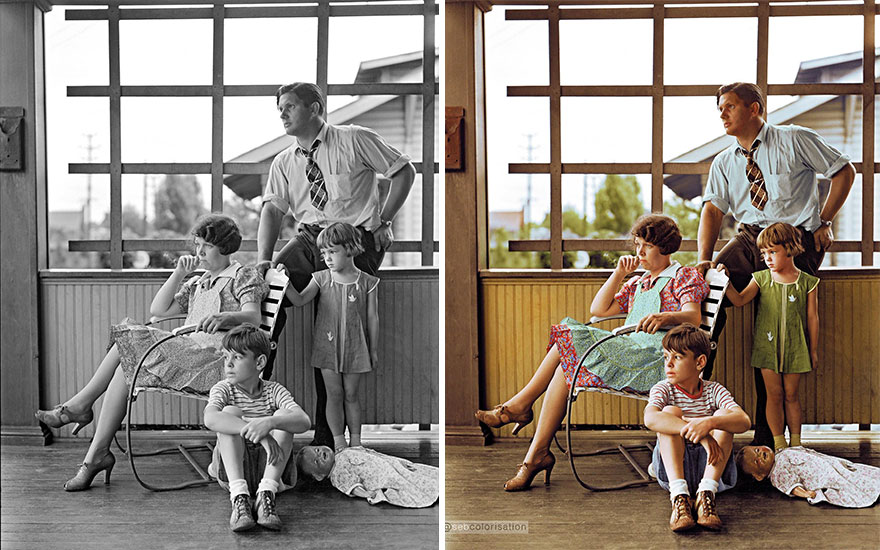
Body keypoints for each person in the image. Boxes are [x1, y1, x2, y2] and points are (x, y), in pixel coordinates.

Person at [475, 214, 710, 491]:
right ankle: (535, 455)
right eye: (637, 245)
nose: (639, 252)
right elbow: (599, 310)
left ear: (666, 248)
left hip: (657, 359)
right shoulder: (639, 282)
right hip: (628, 351)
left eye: (646, 246)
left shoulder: (683, 276)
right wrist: (619, 274)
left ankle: (520, 409)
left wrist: (665, 318)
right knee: (567, 365)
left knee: (568, 335)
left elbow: (693, 317)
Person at [35, 214, 269, 491]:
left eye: (206, 246)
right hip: (190, 354)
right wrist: (179, 273)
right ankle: (94, 454)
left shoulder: (242, 275)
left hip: (217, 361)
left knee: (130, 340)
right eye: (196, 245)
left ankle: (79, 410)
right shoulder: (200, 282)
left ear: (226, 248)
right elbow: (158, 311)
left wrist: (227, 318)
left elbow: (253, 318)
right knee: (127, 362)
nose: (199, 252)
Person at [696, 82, 855, 448]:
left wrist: (825, 222)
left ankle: (771, 441)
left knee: (777, 333)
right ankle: (695, 399)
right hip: (749, 237)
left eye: (729, 106)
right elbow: (713, 210)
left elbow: (844, 172)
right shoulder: (724, 161)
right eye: (720, 107)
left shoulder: (795, 139)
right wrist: (705, 260)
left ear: (754, 109)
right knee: (707, 298)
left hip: (793, 241)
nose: (722, 113)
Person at [257, 82, 415, 448]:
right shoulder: (284, 162)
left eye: (290, 107)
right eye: (280, 108)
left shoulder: (355, 139)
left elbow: (404, 173)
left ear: (315, 109)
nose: (282, 114)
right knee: (267, 301)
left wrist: (384, 221)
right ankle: (254, 401)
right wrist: (264, 261)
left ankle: (330, 441)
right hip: (308, 238)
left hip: (352, 241)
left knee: (334, 333)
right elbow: (272, 210)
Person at [280, 222, 379, 453]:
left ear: (351, 248)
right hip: (327, 348)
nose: (327, 258)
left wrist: (373, 350)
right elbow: (299, 300)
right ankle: (339, 443)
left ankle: (356, 443)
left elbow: (373, 318)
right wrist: (285, 282)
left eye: (332, 252)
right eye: (324, 253)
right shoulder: (320, 278)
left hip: (356, 349)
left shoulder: (368, 282)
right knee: (333, 395)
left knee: (352, 395)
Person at [204, 324, 311, 532]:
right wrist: (260, 435)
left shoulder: (274, 391)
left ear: (260, 362)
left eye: (237, 357)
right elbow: (210, 419)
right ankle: (239, 498)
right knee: (229, 412)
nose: (228, 364)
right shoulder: (224, 389)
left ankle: (265, 496)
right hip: (234, 472)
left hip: (269, 470)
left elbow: (304, 421)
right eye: (226, 358)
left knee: (284, 416)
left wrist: (270, 423)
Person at [722, 223, 819, 453]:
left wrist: (813, 351)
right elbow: (739, 300)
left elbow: (813, 318)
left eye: (772, 252)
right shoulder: (761, 278)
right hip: (767, 348)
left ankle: (796, 444)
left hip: (796, 348)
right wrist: (725, 282)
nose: (766, 258)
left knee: (792, 396)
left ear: (790, 248)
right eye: (763, 253)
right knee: (773, 396)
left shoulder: (807, 282)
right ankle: (779, 444)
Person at [644, 324, 752, 532]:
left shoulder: (714, 390)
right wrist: (701, 435)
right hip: (676, 470)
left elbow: (744, 421)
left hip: (711, 468)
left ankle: (705, 496)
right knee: (669, 412)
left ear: (700, 362)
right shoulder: (663, 389)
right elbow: (650, 419)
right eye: (666, 357)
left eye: (677, 357)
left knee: (724, 416)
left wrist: (710, 423)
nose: (668, 364)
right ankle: (679, 498)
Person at [737, 445, 880, 508]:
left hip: (824, 463)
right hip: (820, 475)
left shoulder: (780, 454)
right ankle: (870, 490)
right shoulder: (777, 475)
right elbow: (792, 486)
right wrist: (805, 494)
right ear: (759, 476)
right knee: (843, 482)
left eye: (757, 450)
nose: (759, 455)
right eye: (756, 461)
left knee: (853, 471)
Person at [296, 445, 439, 508]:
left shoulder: (343, 452)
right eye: (316, 460)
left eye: (317, 450)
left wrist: (398, 461)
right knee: (405, 484)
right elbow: (352, 487)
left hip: (387, 464)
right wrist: (366, 494)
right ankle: (430, 490)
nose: (319, 454)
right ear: (319, 476)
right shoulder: (337, 475)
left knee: (414, 472)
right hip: (382, 476)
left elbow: (371, 453)